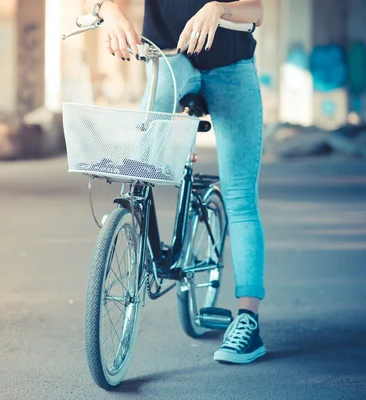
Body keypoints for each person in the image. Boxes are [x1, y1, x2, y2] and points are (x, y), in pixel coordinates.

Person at [82, 0, 266, 364]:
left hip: (232, 68)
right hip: (170, 61)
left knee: (240, 197)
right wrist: (108, 10)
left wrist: (219, 9)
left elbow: (256, 11)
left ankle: (248, 320)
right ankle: (135, 214)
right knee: (143, 164)